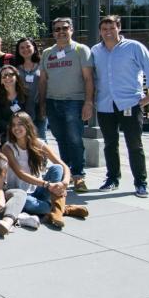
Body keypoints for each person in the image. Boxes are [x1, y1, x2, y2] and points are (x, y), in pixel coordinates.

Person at [92, 15, 149, 197]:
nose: (108, 32)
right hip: (105, 104)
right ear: (100, 31)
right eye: (104, 29)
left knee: (134, 144)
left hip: (129, 103)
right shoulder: (95, 51)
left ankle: (141, 182)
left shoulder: (133, 47)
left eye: (111, 28)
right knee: (110, 144)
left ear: (119, 28)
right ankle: (112, 179)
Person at [3, 112, 89, 229]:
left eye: (20, 124)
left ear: (28, 126)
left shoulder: (39, 143)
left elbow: (63, 165)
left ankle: (55, 212)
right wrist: (48, 185)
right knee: (30, 204)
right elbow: (21, 174)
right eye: (13, 125)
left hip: (39, 189)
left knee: (57, 168)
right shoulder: (8, 147)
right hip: (21, 194)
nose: (16, 128)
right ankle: (62, 210)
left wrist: (64, 183)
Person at [38, 17, 94, 193]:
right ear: (53, 32)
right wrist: (42, 103)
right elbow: (43, 80)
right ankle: (67, 172)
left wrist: (88, 102)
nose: (61, 31)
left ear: (72, 30)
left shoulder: (80, 50)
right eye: (57, 29)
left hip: (74, 101)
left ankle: (78, 176)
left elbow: (88, 79)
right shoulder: (47, 53)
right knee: (61, 139)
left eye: (64, 28)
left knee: (75, 139)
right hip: (53, 101)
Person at [14, 37, 47, 140]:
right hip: (22, 108)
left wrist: (43, 105)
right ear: (18, 51)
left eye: (28, 46)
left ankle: (42, 156)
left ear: (34, 48)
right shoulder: (16, 68)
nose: (25, 49)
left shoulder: (42, 65)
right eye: (22, 48)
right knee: (25, 139)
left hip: (39, 106)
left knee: (40, 137)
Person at [0, 65, 31, 140]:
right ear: (1, 81)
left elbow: (30, 115)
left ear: (16, 77)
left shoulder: (27, 94)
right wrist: (14, 128)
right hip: (4, 133)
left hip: (25, 131)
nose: (7, 77)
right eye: (4, 76)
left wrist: (20, 128)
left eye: (11, 74)